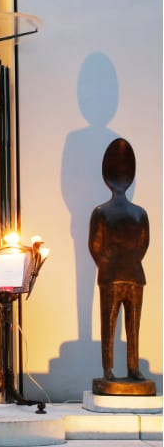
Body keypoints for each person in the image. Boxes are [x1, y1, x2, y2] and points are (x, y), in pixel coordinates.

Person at [88, 138, 149, 381]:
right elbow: (143, 246)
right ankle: (129, 368)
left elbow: (95, 246)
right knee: (130, 327)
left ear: (107, 178)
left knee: (110, 324)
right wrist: (127, 261)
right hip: (132, 274)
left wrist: (108, 264)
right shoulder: (139, 212)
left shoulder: (102, 212)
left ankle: (112, 369)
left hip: (114, 275)